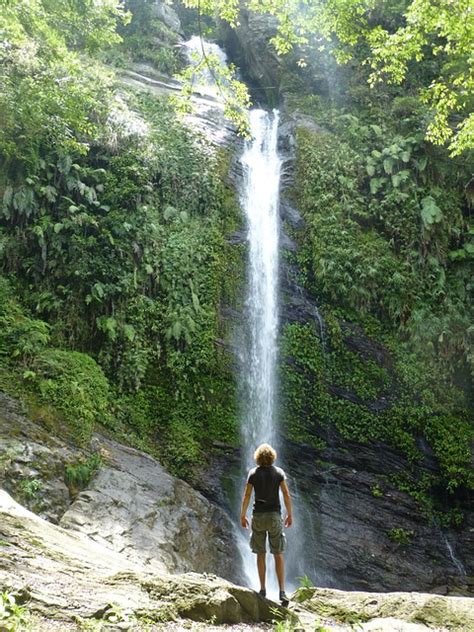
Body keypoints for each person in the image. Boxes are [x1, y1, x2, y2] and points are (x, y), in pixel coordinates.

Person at [240, 443, 293, 606]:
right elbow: (285, 494)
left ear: (257, 457)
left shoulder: (253, 473)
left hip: (258, 516)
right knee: (278, 553)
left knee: (260, 553)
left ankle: (263, 589)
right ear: (272, 457)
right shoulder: (279, 473)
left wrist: (243, 515)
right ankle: (282, 592)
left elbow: (247, 495)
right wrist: (290, 514)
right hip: (274, 516)